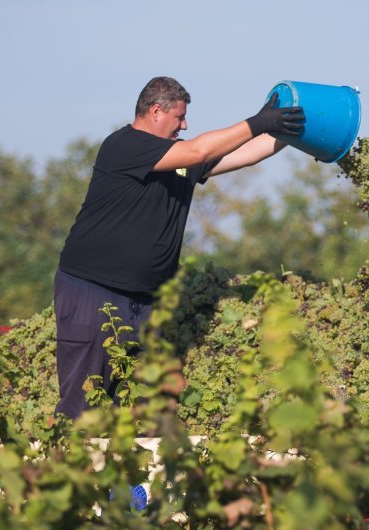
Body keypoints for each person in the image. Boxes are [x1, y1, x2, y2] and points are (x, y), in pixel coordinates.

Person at [54, 76, 305, 419]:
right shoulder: (124, 145)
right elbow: (199, 149)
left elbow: (245, 155)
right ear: (156, 111)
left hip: (144, 300)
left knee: (145, 406)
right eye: (179, 118)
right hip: (93, 292)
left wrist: (290, 131)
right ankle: (68, 465)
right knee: (83, 405)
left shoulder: (180, 160)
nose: (184, 125)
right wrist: (256, 122)